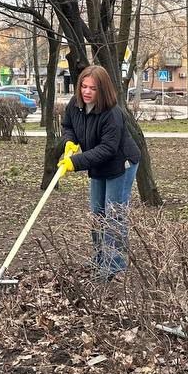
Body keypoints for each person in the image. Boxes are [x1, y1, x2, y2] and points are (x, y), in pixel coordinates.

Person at [61, 65, 143, 278]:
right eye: (83, 86)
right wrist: (70, 142)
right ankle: (99, 261)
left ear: (103, 90)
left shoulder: (112, 114)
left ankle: (114, 267)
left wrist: (75, 162)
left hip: (120, 165)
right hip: (97, 164)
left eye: (93, 88)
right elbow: (67, 124)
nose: (86, 92)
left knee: (113, 216)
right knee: (98, 214)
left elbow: (108, 149)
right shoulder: (76, 105)